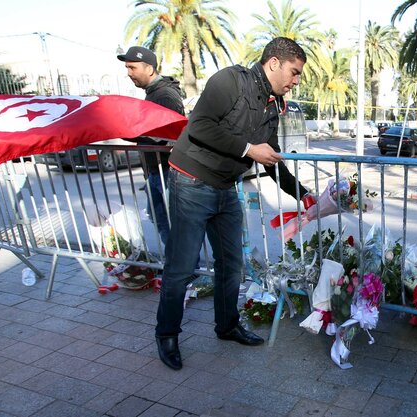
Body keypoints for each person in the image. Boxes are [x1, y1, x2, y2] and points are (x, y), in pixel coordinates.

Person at [155, 37, 315, 370]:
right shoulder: (230, 81)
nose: (296, 81)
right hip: (191, 181)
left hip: (225, 188)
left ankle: (227, 326)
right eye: (294, 72)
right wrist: (247, 149)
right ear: (274, 63)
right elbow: (198, 127)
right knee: (182, 267)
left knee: (232, 265)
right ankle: (167, 334)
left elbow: (270, 158)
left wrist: (304, 195)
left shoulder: (275, 105)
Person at [117, 46, 184, 245]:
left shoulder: (164, 96)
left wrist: (130, 133)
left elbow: (170, 134)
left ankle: (183, 269)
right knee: (162, 221)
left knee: (172, 225)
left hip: (166, 171)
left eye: (132, 68)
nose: (129, 73)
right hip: (157, 172)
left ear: (149, 69)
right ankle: (178, 265)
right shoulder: (155, 93)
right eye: (127, 68)